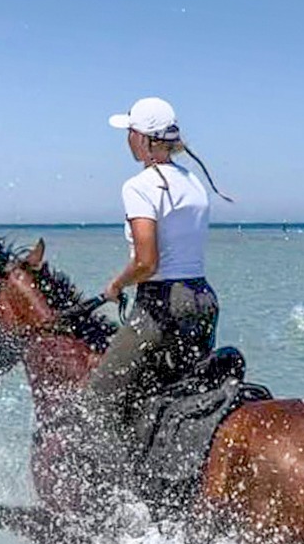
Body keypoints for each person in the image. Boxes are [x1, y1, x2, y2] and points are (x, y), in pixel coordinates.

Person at [89, 96, 230, 426]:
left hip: (164, 304)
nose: (127, 139)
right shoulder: (194, 182)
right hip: (203, 300)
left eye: (130, 132)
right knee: (176, 393)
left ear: (142, 139)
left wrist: (115, 285)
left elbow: (146, 263)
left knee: (98, 396)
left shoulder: (138, 187)